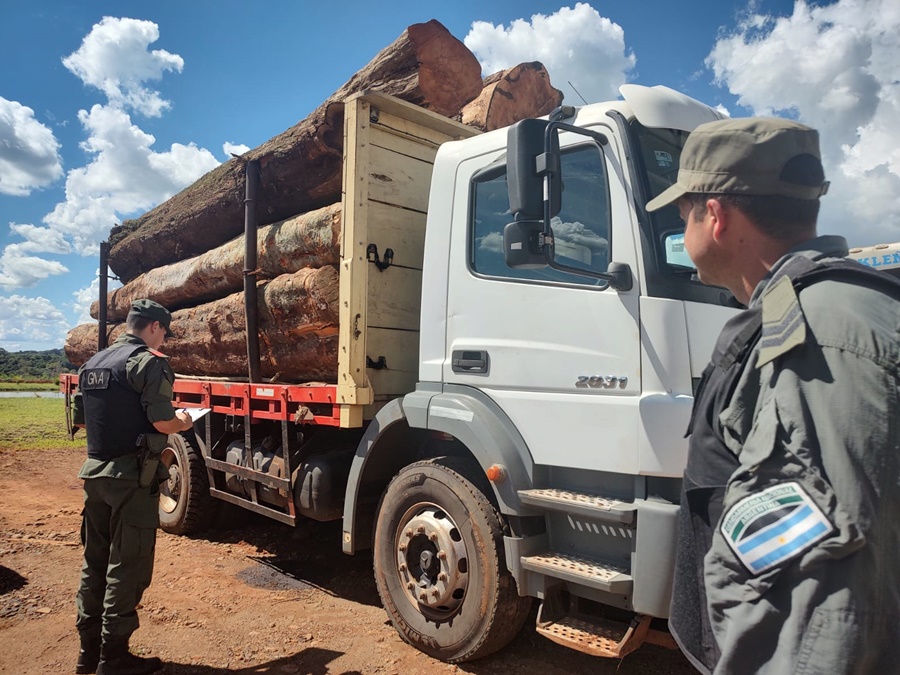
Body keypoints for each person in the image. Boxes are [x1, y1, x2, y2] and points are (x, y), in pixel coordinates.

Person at [646, 118, 900, 674]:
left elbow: (816, 603)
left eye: (681, 213)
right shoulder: (836, 307)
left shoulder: (811, 339)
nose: (680, 231)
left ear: (714, 216)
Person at [73, 299, 193, 675]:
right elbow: (162, 423)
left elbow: (81, 419)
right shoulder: (149, 362)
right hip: (131, 478)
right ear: (155, 327)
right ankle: (115, 658)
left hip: (95, 475)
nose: (163, 339)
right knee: (127, 564)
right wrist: (184, 421)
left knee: (95, 561)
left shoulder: (92, 364)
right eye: (164, 332)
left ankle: (88, 653)